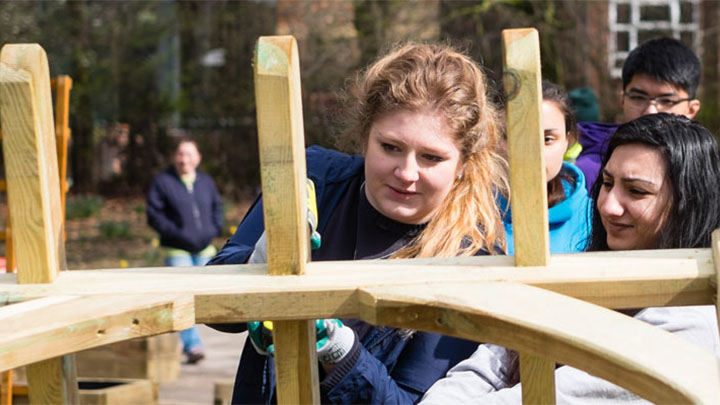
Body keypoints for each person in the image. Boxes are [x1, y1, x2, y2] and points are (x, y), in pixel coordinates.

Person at [208, 43, 509, 403]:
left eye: (431, 157)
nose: (406, 173)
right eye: (390, 147)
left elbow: (411, 400)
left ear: (462, 163)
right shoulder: (314, 179)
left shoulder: (472, 262)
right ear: (366, 135)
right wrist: (254, 268)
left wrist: (341, 354)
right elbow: (218, 312)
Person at [421, 113, 720, 403]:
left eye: (637, 191)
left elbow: (550, 398)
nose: (609, 205)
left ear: (686, 204)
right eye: (606, 183)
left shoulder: (687, 323)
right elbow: (489, 365)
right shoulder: (584, 277)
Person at [575, 37, 701, 191]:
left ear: (691, 109)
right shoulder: (586, 177)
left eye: (667, 101)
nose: (650, 111)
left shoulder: (707, 173)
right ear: (623, 100)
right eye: (638, 98)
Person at [147, 138, 224, 364]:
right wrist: (175, 233)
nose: (184, 159)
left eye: (189, 154)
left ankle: (192, 339)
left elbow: (217, 208)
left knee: (206, 298)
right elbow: (154, 215)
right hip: (176, 249)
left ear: (198, 158)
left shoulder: (206, 182)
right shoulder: (163, 182)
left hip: (204, 249)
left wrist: (213, 229)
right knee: (183, 297)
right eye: (181, 154)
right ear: (174, 157)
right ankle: (193, 346)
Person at [501, 81, 591, 254]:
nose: (533, 153)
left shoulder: (596, 219)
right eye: (514, 137)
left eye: (547, 139)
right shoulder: (463, 216)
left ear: (568, 141)